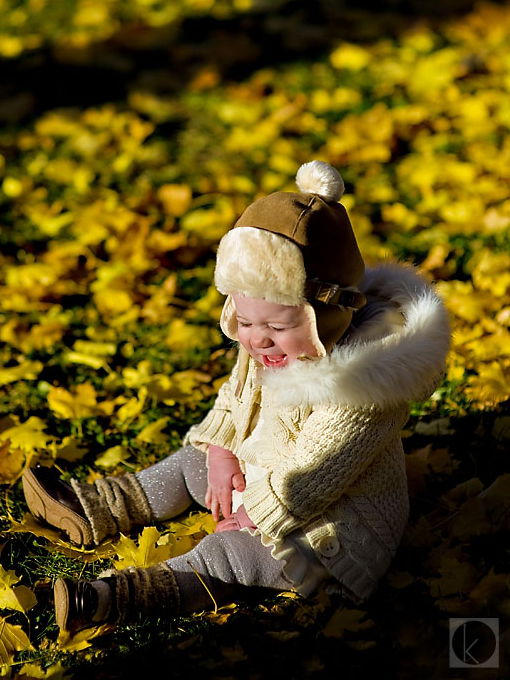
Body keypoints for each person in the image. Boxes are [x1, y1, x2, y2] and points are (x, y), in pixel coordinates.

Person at [22, 160, 451, 632]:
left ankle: (120, 596)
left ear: (326, 317)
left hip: (327, 530)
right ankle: (100, 506)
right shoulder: (269, 348)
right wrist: (223, 449)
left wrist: (252, 514)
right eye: (244, 322)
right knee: (193, 462)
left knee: (231, 554)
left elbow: (313, 474)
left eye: (276, 326)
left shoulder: (365, 388)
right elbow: (237, 398)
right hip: (266, 473)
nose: (256, 339)